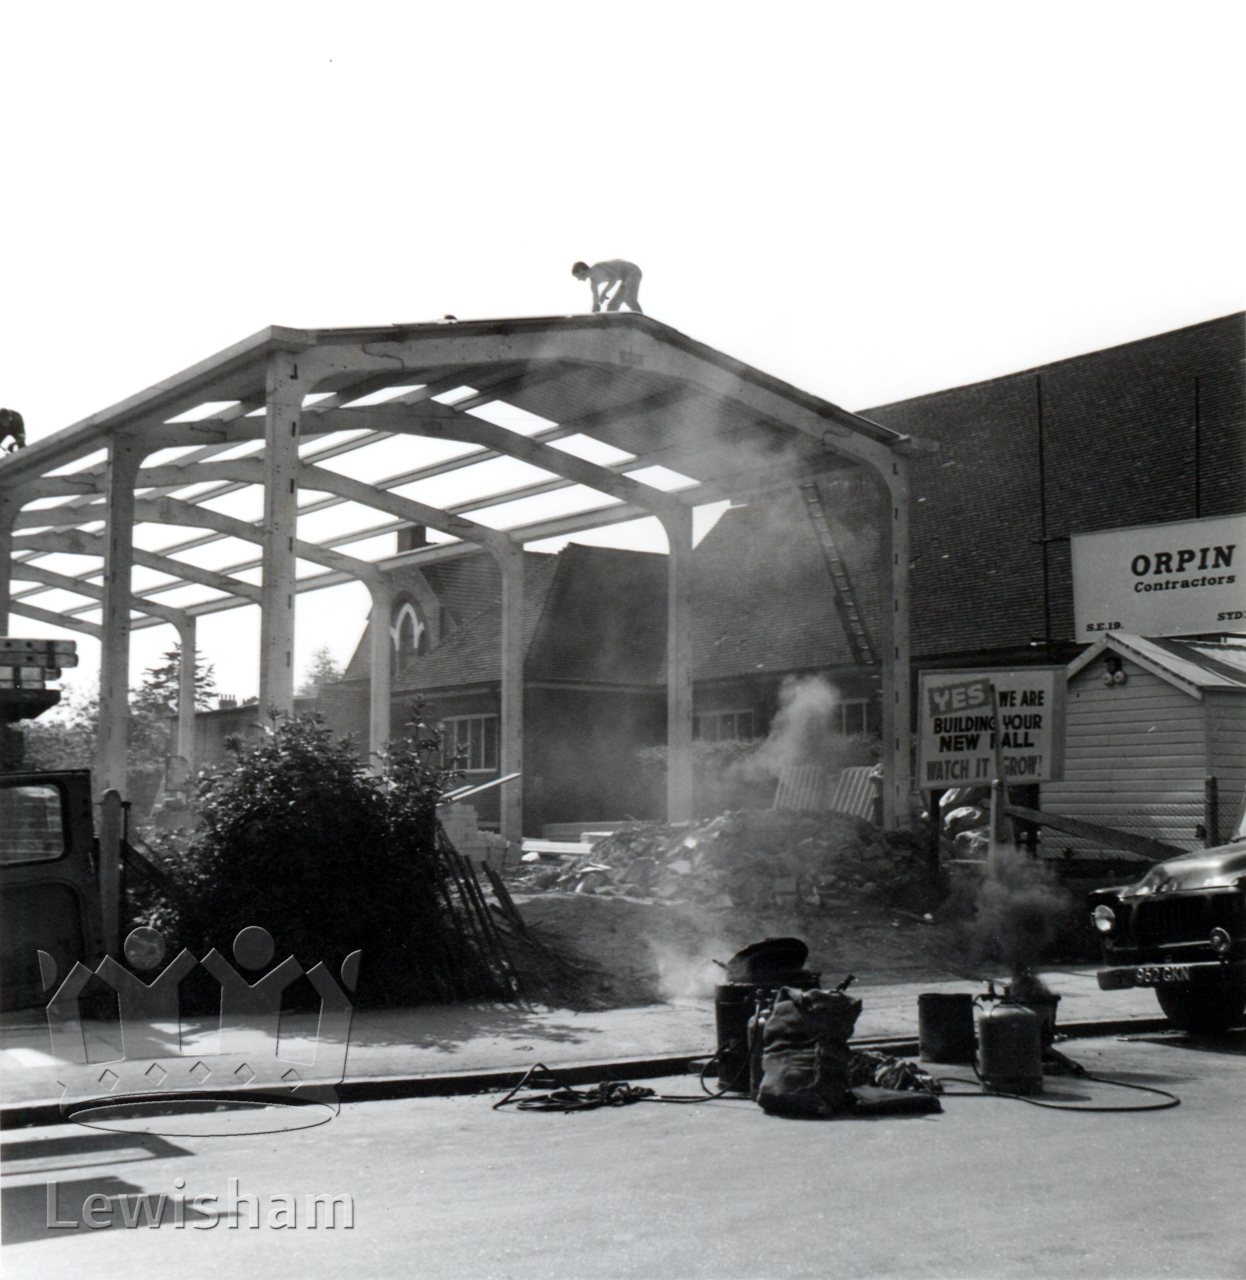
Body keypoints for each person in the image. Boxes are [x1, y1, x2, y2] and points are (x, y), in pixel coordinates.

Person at [571, 259, 643, 313]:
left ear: (581, 271)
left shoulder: (597, 268)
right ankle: (611, 327)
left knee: (629, 298)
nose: (578, 279)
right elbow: (595, 298)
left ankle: (641, 320)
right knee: (612, 306)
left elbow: (613, 279)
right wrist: (595, 309)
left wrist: (603, 293)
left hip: (632, 271)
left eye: (577, 276)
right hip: (624, 277)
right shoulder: (593, 283)